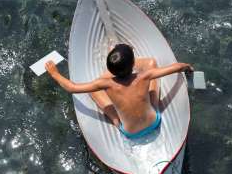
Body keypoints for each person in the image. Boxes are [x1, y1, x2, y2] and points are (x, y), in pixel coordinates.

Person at [45, 43, 193, 139]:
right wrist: (188, 67)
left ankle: (114, 119)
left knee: (93, 91)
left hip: (130, 133)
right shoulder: (144, 76)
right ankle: (123, 55)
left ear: (109, 69)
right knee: (152, 65)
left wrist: (54, 73)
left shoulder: (105, 83)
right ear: (134, 64)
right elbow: (177, 66)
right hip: (154, 122)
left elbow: (72, 88)